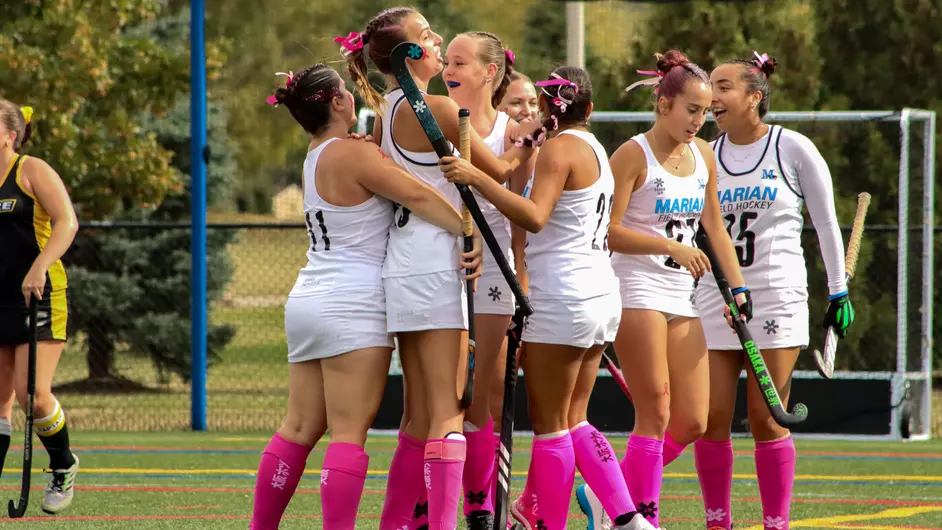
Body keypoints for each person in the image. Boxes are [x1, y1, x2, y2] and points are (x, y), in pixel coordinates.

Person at [248, 63, 482, 530]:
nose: (356, 94)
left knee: (298, 428)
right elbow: (417, 196)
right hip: (352, 304)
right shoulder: (355, 155)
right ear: (337, 103)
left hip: (308, 298)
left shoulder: (317, 152)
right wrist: (466, 228)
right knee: (348, 435)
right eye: (346, 91)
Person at [338, 8, 537, 529]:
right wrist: (530, 136)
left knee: (417, 417)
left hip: (402, 265)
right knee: (451, 410)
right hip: (441, 264)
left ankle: (397, 522)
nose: (438, 39)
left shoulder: (386, 111)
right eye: (428, 36)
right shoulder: (439, 108)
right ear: (408, 54)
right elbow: (502, 171)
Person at [441, 65, 649, 530]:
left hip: (563, 297)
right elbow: (511, 168)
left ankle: (551, 524)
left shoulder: (558, 151)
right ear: (589, 109)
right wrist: (503, 158)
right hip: (598, 296)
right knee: (577, 420)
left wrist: (474, 178)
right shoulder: (595, 145)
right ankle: (629, 518)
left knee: (552, 426)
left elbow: (534, 216)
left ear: (552, 105)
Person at [576, 50, 752, 529]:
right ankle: (643, 520)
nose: (700, 121)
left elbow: (714, 230)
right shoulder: (633, 154)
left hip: (681, 294)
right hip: (634, 287)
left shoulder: (704, 155)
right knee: (655, 408)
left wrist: (738, 288)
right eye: (691, 110)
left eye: (706, 112)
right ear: (663, 105)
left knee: (693, 419)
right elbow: (605, 231)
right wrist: (668, 247)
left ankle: (607, 498)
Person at [688, 51, 853, 530]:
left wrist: (838, 293)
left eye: (723, 87)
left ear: (754, 96)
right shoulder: (702, 153)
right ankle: (717, 521)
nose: (712, 98)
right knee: (711, 418)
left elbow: (825, 224)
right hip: (716, 297)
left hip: (777, 295)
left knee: (767, 418)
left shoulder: (792, 148)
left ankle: (775, 524)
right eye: (709, 88)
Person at [441, 30, 534, 529]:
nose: (448, 68)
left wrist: (520, 273)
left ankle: (479, 507)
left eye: (459, 61)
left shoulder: (511, 136)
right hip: (438, 269)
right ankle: (424, 509)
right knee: (436, 401)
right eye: (446, 60)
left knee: (481, 397)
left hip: (494, 273)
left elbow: (521, 216)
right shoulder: (434, 117)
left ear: (489, 72)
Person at [0, 100, 81, 514]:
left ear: (9, 136)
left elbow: (67, 221)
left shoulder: (31, 170)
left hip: (39, 294)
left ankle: (63, 464)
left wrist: (39, 268)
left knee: (31, 395)